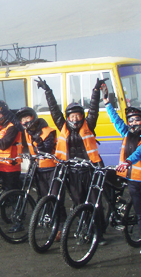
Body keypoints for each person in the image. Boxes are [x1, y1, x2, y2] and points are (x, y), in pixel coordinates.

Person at [37, 77, 109, 243]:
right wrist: (48, 91)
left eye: (78, 115)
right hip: (72, 172)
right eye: (72, 116)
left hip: (90, 170)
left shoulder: (89, 124)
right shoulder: (63, 126)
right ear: (68, 117)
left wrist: (96, 90)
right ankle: (85, 229)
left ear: (82, 116)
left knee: (94, 203)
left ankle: (99, 234)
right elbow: (54, 110)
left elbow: (93, 109)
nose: (75, 119)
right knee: (78, 203)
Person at [103, 84, 141, 255]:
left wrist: (128, 161)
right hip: (133, 180)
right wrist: (107, 103)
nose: (133, 123)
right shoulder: (127, 133)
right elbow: (116, 121)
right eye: (131, 120)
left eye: (137, 120)